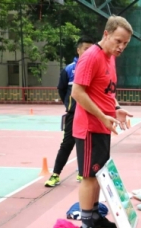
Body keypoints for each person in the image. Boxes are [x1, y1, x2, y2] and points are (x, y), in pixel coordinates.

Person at [71, 16, 133, 228]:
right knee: (88, 176)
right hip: (89, 127)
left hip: (104, 125)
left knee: (98, 173)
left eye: (125, 44)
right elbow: (77, 93)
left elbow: (105, 92)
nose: (121, 47)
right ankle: (86, 226)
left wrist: (115, 109)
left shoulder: (109, 58)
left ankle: (95, 216)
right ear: (106, 34)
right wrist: (101, 115)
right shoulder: (91, 57)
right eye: (118, 41)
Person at [45, 36, 94, 187]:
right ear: (78, 50)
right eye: (85, 49)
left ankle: (82, 172)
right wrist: (70, 105)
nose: (88, 52)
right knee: (67, 144)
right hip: (74, 114)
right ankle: (55, 174)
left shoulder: (95, 68)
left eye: (91, 49)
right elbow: (61, 89)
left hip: (90, 114)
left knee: (87, 144)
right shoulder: (69, 69)